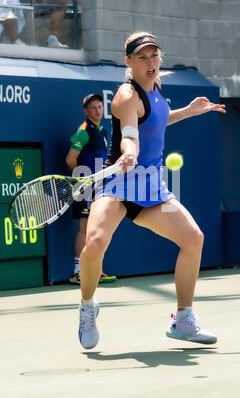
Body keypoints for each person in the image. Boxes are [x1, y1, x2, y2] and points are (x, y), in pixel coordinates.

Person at [77, 31, 226, 349]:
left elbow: (155, 121)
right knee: (95, 243)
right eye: (142, 57)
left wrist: (187, 111)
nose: (151, 62)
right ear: (128, 62)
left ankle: (183, 319)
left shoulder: (156, 87)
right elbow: (130, 131)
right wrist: (129, 149)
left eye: (154, 56)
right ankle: (88, 305)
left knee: (193, 239)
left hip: (151, 188)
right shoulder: (126, 95)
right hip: (117, 185)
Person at [65, 93, 117, 285]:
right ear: (86, 111)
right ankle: (77, 272)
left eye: (100, 107)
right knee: (85, 228)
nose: (97, 110)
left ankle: (96, 270)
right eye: (93, 107)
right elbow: (70, 160)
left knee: (98, 229)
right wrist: (83, 180)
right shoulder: (83, 131)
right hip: (86, 187)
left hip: (101, 187)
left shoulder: (102, 130)